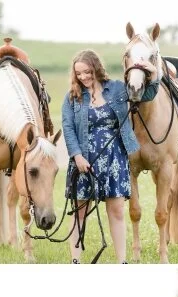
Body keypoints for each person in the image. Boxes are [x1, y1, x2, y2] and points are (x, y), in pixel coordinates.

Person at [61, 50, 156, 264]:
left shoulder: (117, 89)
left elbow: (147, 94)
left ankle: (122, 261)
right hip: (85, 161)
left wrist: (153, 72)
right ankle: (75, 261)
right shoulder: (72, 97)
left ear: (96, 68)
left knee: (117, 212)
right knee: (79, 212)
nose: (84, 77)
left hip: (114, 160)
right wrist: (77, 156)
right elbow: (67, 128)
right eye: (79, 73)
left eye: (87, 72)